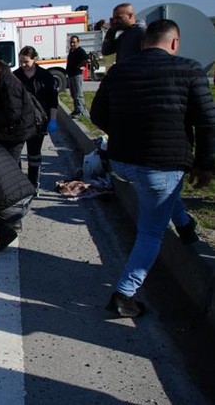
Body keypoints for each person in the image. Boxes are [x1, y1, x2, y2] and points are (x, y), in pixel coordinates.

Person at [90, 19, 215, 318]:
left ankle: (185, 226)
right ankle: (125, 294)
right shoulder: (189, 69)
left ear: (144, 43)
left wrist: (121, 135)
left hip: (124, 162)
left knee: (159, 193)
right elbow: (207, 123)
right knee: (151, 233)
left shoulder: (119, 70)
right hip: (162, 165)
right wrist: (205, 164)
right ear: (174, 42)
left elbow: (97, 114)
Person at [14, 46, 59, 190]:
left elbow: (53, 100)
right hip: (20, 122)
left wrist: (53, 120)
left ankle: (33, 184)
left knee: (34, 155)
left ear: (34, 59)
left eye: (26, 62)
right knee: (15, 155)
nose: (23, 65)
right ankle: (19, 184)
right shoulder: (15, 76)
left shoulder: (45, 76)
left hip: (39, 122)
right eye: (21, 62)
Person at [65, 35, 90, 117]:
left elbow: (87, 59)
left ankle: (81, 111)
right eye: (71, 42)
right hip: (71, 74)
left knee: (78, 94)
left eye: (74, 42)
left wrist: (79, 66)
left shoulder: (80, 51)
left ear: (78, 42)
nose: (72, 44)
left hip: (76, 74)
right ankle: (76, 110)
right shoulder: (71, 51)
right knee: (73, 94)